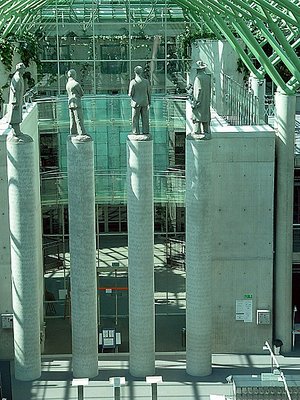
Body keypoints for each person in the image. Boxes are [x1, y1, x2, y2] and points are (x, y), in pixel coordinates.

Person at [128, 65, 151, 135]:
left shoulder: (133, 82)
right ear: (141, 72)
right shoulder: (146, 82)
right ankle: (146, 131)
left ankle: (135, 131)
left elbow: (130, 93)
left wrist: (130, 94)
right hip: (144, 102)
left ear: (135, 72)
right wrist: (149, 101)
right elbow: (149, 93)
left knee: (135, 118)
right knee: (145, 118)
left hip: (136, 103)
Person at [191, 60, 212, 134]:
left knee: (197, 118)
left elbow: (199, 91)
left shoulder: (198, 78)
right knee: (205, 118)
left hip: (200, 102)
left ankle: (197, 131)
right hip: (206, 102)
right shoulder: (208, 77)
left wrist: (196, 102)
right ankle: (206, 131)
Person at [7, 63, 26, 137]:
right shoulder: (17, 78)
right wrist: (15, 102)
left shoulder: (19, 77)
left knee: (17, 115)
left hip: (19, 100)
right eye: (23, 69)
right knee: (15, 116)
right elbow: (15, 91)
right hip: (16, 101)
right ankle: (16, 131)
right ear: (19, 69)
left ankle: (17, 130)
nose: (24, 70)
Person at [66, 69, 86, 136]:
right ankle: (82, 132)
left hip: (70, 103)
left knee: (72, 119)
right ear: (74, 75)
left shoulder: (68, 84)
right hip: (76, 102)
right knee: (79, 118)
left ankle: (73, 132)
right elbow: (82, 93)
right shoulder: (76, 84)